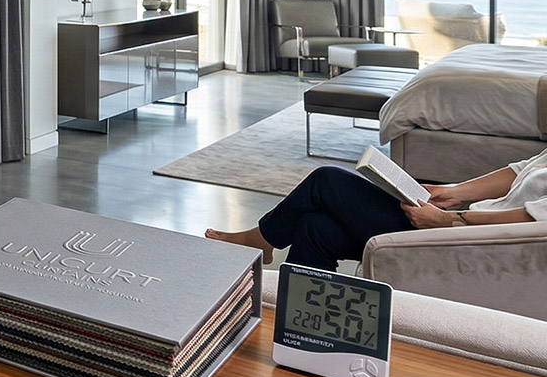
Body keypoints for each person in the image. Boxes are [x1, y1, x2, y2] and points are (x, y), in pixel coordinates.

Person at [206, 149, 547, 270]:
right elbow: (520, 170)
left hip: (470, 242)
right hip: (462, 223)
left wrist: (448, 220)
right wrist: (452, 192)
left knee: (326, 181)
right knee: (314, 227)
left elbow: (531, 219)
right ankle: (301, 324)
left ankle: (262, 240)